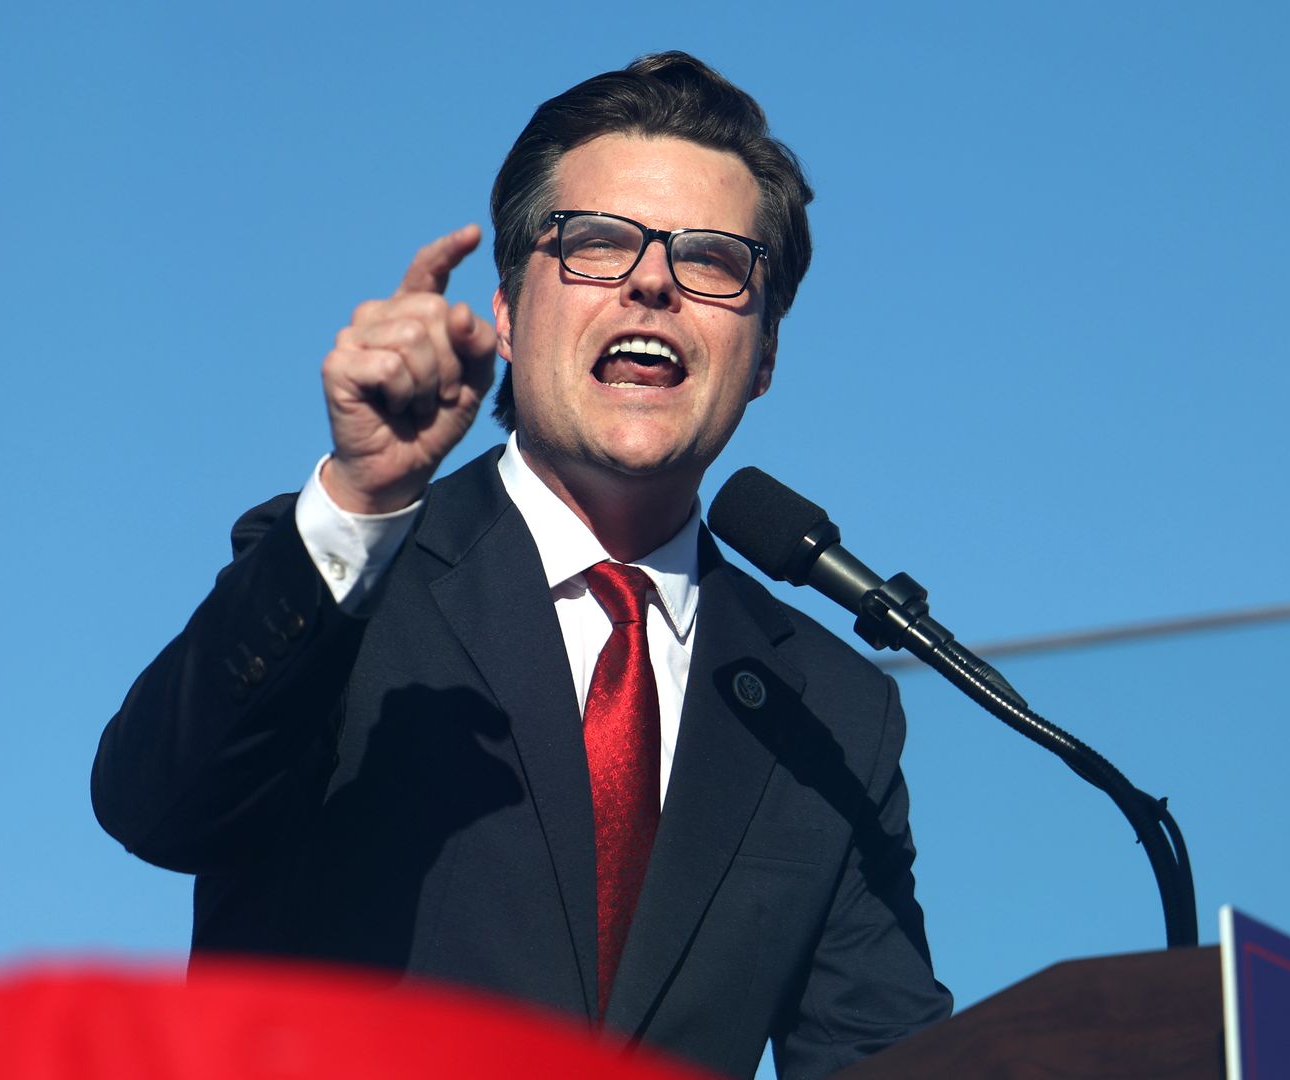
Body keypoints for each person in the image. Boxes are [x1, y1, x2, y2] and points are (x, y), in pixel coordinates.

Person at [91, 52, 951, 1079]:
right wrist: (361, 501)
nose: (651, 282)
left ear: (764, 354)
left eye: (714, 261)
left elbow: (883, 1053)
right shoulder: (344, 581)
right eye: (596, 243)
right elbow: (155, 806)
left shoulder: (834, 712)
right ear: (506, 310)